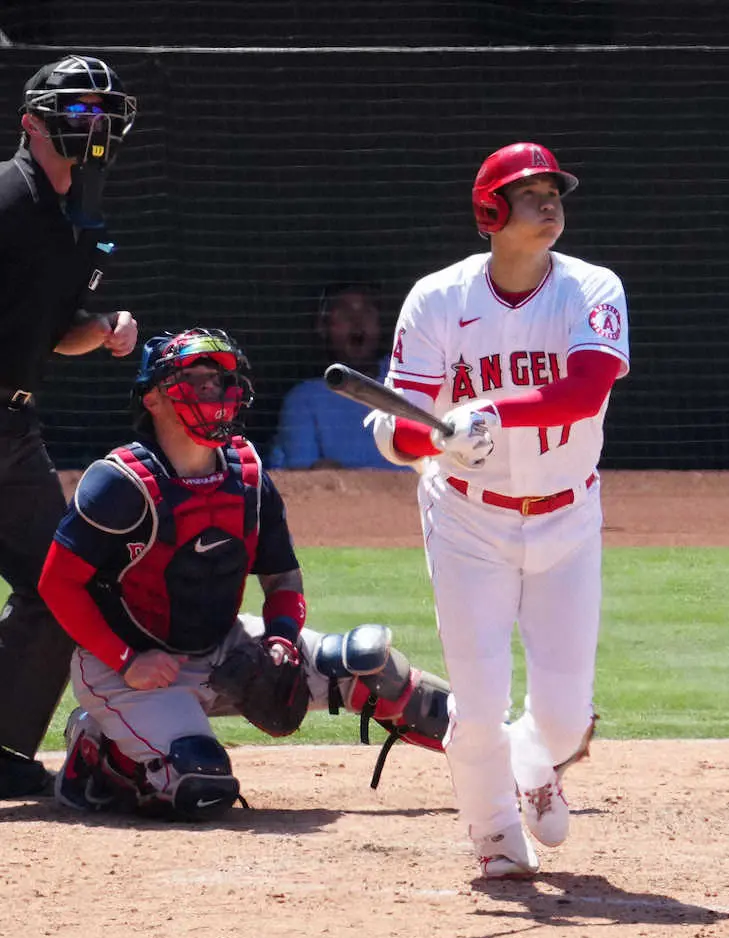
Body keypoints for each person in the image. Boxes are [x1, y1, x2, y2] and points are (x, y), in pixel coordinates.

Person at [37, 328, 450, 820]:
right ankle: (99, 754)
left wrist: (280, 639)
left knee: (370, 667)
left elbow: (283, 580)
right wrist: (126, 661)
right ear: (152, 398)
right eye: (198, 380)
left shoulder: (248, 475)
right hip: (130, 670)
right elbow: (56, 584)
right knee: (202, 785)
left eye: (221, 379)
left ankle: (504, 749)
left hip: (224, 644)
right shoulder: (120, 482)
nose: (215, 391)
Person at [370, 141, 630, 879]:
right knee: (478, 702)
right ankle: (493, 838)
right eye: (529, 192)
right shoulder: (438, 299)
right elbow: (402, 427)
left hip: (568, 518)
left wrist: (488, 410)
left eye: (555, 191)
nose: (550, 203)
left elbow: (585, 390)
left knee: (563, 718)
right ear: (490, 211)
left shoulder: (593, 288)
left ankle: (533, 757)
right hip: (467, 519)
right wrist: (429, 436)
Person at [0, 54, 139, 798]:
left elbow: (57, 332)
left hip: (13, 430)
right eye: (77, 109)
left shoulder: (74, 213)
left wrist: (106, 328)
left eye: (102, 110)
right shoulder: (7, 196)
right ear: (32, 121)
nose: (94, 123)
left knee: (61, 585)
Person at [269, 282, 401, 470]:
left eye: (368, 312)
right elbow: (306, 481)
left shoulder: (405, 383)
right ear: (323, 327)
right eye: (344, 313)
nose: (357, 322)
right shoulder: (305, 399)